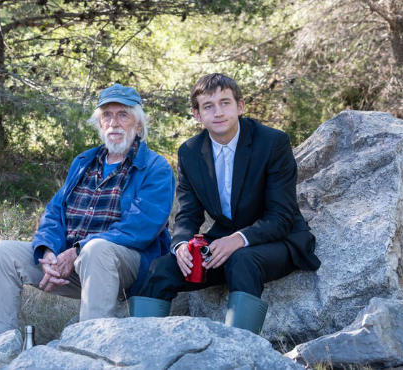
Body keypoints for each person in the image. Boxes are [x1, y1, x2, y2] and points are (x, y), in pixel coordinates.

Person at [130, 73, 322, 335]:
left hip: (279, 241)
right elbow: (187, 214)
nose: (217, 112)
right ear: (197, 115)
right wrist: (180, 246)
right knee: (161, 267)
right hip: (223, 246)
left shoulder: (272, 142)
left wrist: (238, 239)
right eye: (208, 106)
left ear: (240, 107)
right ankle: (140, 350)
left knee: (242, 260)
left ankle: (239, 354)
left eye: (225, 103)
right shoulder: (189, 151)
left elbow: (282, 215)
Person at [0, 84, 176, 336]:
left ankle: (88, 348)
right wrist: (49, 251)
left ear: (138, 125)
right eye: (106, 115)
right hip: (75, 263)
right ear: (99, 123)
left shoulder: (155, 167)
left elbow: (141, 228)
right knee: (2, 253)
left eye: (123, 115)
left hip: (126, 267)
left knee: (96, 249)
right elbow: (55, 212)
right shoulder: (84, 162)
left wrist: (78, 250)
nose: (113, 123)